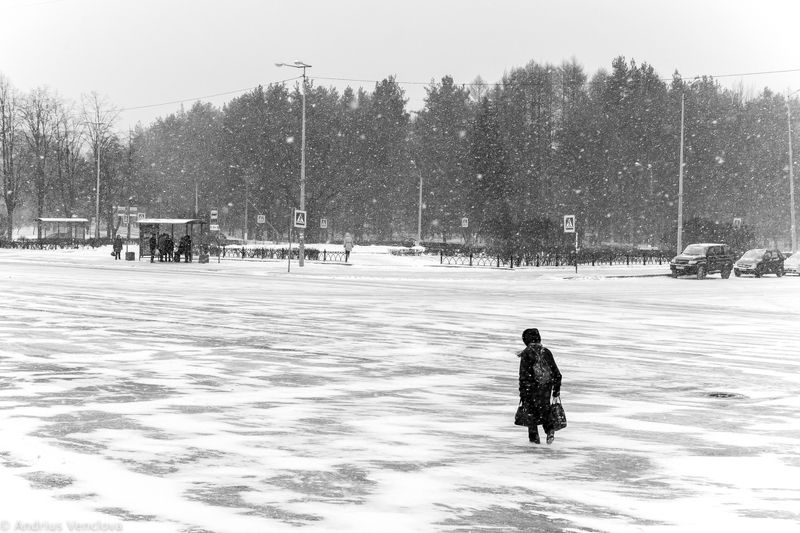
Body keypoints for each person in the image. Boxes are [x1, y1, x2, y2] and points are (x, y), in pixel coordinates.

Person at [517, 328, 562, 444]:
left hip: (530, 389)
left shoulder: (526, 353)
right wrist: (556, 391)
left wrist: (523, 393)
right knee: (544, 410)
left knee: (531, 417)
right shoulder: (546, 352)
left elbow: (524, 376)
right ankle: (550, 429)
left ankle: (534, 443)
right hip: (545, 387)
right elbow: (557, 374)